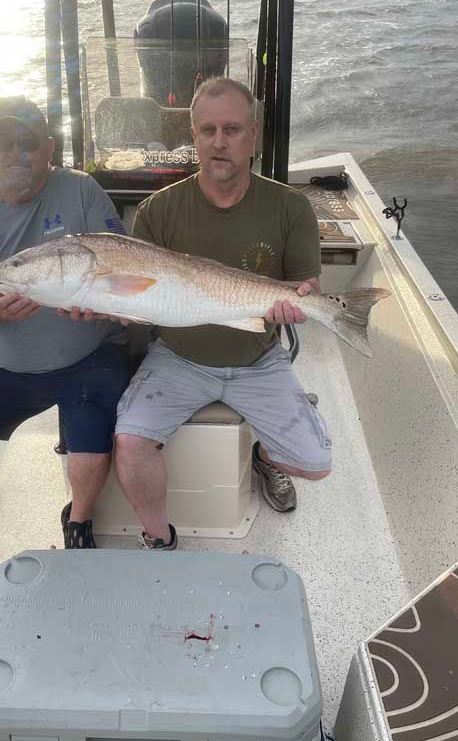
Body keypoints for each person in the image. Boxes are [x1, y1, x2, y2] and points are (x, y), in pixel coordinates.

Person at [113, 77, 332, 550]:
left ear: (253, 135)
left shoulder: (291, 206)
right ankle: (159, 538)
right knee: (128, 447)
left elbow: (307, 287)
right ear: (192, 135)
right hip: (178, 356)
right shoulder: (157, 210)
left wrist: (301, 302)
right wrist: (112, 307)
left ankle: (264, 450)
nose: (219, 142)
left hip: (257, 356)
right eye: (207, 129)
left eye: (232, 129)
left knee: (317, 464)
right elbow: (140, 297)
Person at [0, 96, 129, 547]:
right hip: (11, 365)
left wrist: (101, 302)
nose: (15, 153)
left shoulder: (81, 189)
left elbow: (120, 258)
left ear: (50, 148)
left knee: (91, 457)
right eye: (3, 142)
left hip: (89, 354)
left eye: (28, 142)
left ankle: (78, 516)